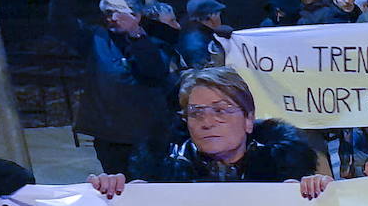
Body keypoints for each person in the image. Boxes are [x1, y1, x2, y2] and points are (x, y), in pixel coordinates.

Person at [87, 66, 331, 197]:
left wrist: (322, 194)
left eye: (221, 110)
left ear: (248, 120)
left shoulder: (286, 171)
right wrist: (111, 193)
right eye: (196, 113)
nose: (207, 122)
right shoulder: (158, 177)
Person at [49, 0, 176, 174]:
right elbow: (61, 23)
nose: (114, 18)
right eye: (108, 13)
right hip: (109, 133)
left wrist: (136, 35)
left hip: (148, 134)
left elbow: (154, 71)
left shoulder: (156, 38)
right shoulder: (95, 38)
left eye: (121, 13)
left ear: (138, 16)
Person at [178, 0, 232, 67]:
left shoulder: (205, 34)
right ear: (211, 16)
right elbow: (202, 73)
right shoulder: (196, 43)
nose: (220, 18)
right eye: (218, 14)